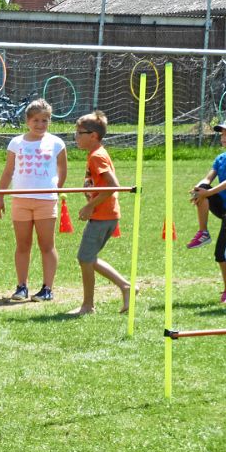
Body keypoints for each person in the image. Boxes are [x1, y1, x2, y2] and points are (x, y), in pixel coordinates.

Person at [0, 98, 67, 302]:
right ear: (27, 121)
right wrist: (0, 197)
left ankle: (47, 288)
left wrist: (55, 191)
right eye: (36, 120)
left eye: (45, 120)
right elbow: (8, 172)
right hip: (20, 200)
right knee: (23, 245)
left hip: (46, 201)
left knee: (47, 245)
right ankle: (22, 287)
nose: (40, 124)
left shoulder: (57, 143)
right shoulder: (16, 143)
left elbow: (63, 170)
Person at [69, 109, 131, 316]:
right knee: (88, 258)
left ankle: (88, 305)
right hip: (105, 215)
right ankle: (125, 286)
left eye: (79, 133)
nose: (76, 137)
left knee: (85, 258)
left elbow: (113, 185)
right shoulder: (95, 154)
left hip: (102, 215)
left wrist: (90, 205)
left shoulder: (97, 156)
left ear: (93, 136)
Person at [187, 118, 226, 304]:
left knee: (220, 254)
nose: (223, 137)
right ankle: (203, 232)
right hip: (222, 207)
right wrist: (198, 189)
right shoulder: (220, 158)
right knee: (202, 189)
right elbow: (207, 179)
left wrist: (207, 192)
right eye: (222, 134)